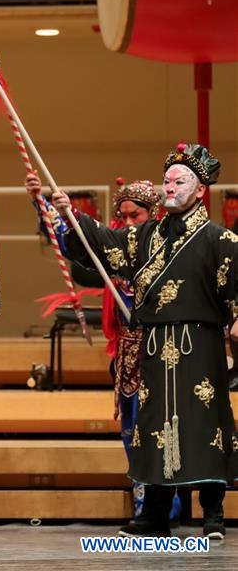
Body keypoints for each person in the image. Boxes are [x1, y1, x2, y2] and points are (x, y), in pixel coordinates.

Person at [50, 143, 238, 539]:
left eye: (180, 180)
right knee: (153, 428)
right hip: (155, 344)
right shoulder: (146, 236)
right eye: (166, 180)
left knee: (205, 424)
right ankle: (154, 515)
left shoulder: (221, 241)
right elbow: (105, 244)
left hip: (199, 344)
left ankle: (212, 516)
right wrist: (74, 217)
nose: (170, 186)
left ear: (201, 189)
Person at [26, 174, 172, 521]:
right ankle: (145, 504)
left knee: (162, 431)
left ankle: (168, 504)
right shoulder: (117, 248)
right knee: (132, 431)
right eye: (122, 217)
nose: (127, 223)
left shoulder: (169, 248)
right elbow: (77, 252)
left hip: (164, 351)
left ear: (154, 214)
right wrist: (49, 208)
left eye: (135, 215)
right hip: (127, 355)